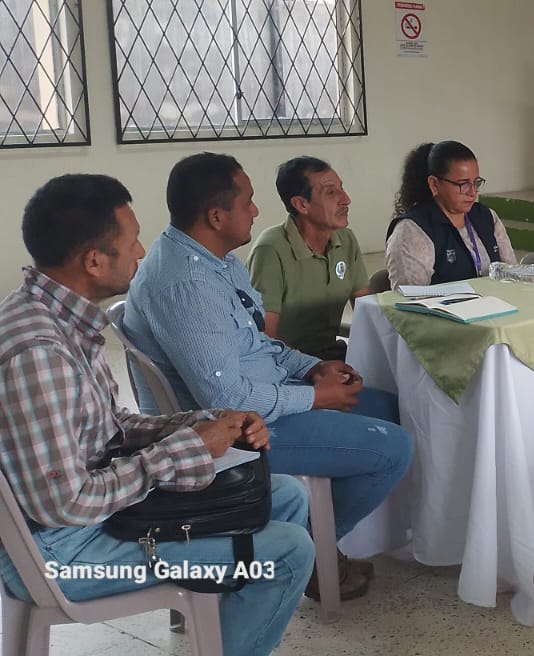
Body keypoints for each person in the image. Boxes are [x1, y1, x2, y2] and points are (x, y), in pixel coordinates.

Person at [0, 174, 314, 656]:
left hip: (82, 523)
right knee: (290, 551)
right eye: (132, 242)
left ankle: (222, 633)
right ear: (93, 260)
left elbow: (108, 429)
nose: (142, 252)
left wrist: (205, 422)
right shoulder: (40, 353)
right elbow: (66, 504)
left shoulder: (54, 315)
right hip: (62, 555)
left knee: (283, 495)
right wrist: (186, 450)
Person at [121, 153, 414, 600]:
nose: (256, 211)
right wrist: (316, 398)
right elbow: (227, 399)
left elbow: (258, 342)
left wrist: (311, 367)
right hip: (237, 430)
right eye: (248, 202)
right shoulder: (186, 284)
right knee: (394, 446)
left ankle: (313, 536)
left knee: (393, 409)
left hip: (269, 394)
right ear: (216, 216)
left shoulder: (217, 260)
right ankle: (311, 553)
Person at [247, 156, 369, 362]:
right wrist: (313, 368)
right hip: (286, 365)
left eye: (341, 188)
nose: (345, 199)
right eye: (331, 192)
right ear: (302, 204)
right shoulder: (270, 250)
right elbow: (266, 338)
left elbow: (367, 312)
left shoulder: (345, 240)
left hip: (333, 356)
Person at [385, 140, 517, 287]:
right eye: (463, 184)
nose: (472, 192)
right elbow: (412, 296)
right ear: (434, 184)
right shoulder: (412, 230)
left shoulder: (486, 216)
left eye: (476, 183)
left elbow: (513, 276)